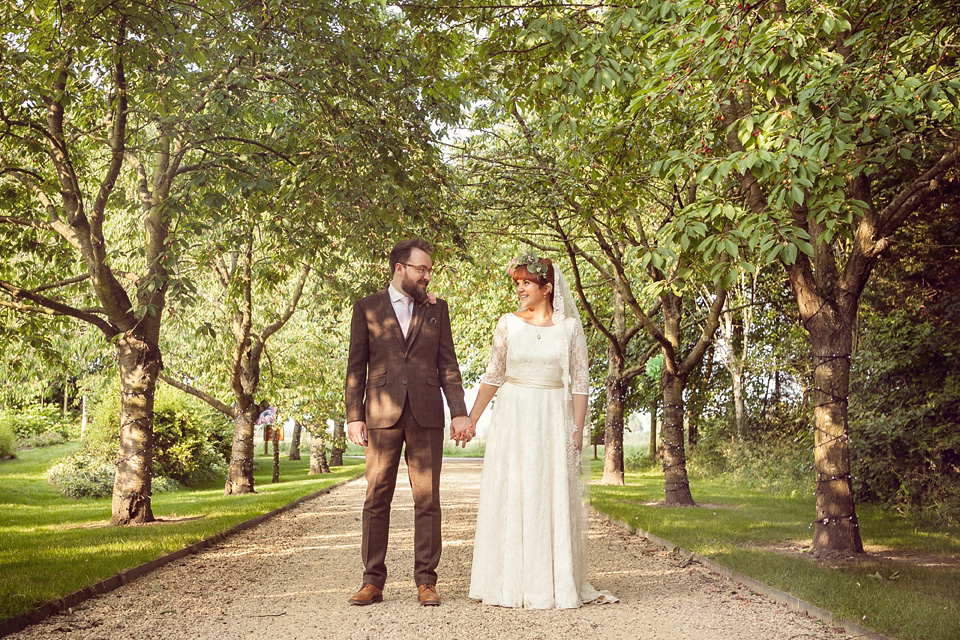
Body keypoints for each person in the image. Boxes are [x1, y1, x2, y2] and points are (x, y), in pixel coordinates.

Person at [467, 254, 616, 609]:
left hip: (552, 414)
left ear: (547, 288)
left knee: (549, 493)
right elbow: (492, 376)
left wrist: (576, 430)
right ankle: (507, 582)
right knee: (514, 490)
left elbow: (580, 382)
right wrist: (470, 419)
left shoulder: (569, 328)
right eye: (517, 283)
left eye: (526, 283)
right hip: (515, 415)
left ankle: (551, 581)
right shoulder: (507, 324)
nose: (519, 289)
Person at [345, 238, 474, 607]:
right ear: (400, 268)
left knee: (427, 499)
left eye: (430, 270)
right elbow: (356, 366)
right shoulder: (367, 308)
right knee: (376, 497)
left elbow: (448, 364)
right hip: (381, 414)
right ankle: (372, 582)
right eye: (421, 269)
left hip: (426, 412)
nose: (427, 276)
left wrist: (459, 410)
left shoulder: (437, 309)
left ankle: (426, 581)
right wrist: (354, 415)